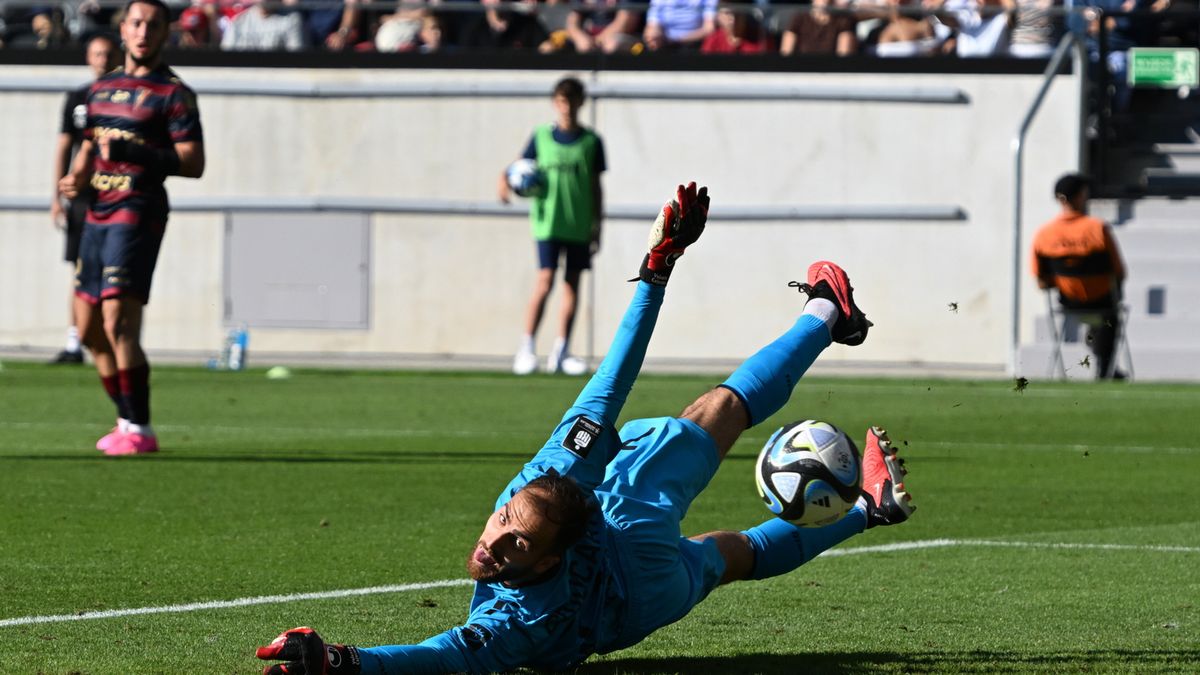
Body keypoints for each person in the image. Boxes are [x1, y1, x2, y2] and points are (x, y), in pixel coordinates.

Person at [256, 182, 916, 675]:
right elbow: (610, 382)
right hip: (635, 563)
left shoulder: (531, 563)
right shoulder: (551, 506)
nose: (496, 541)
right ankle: (830, 314)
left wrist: (342, 661)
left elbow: (444, 654)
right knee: (717, 416)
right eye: (508, 531)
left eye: (511, 533)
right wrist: (656, 272)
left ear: (546, 552)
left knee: (729, 554)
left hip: (634, 604)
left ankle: (866, 509)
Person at [57, 0, 206, 455]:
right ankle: (126, 419)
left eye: (154, 25)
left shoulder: (174, 94)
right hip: (97, 212)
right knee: (88, 331)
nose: (144, 32)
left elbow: (193, 163)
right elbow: (90, 145)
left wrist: (137, 153)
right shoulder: (100, 89)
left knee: (118, 318)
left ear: (166, 33)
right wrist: (77, 176)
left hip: (138, 211)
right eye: (137, 23)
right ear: (123, 29)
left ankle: (140, 429)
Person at [498, 76, 605, 376]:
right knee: (545, 280)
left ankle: (562, 350)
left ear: (581, 103)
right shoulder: (541, 137)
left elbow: (596, 186)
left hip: (579, 224)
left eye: (572, 101)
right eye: (561, 101)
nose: (566, 107)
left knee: (572, 284)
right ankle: (527, 347)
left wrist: (598, 225)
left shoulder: (591, 142)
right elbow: (517, 168)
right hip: (548, 223)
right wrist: (503, 181)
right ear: (554, 103)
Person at [50, 32, 117, 365]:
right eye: (97, 54)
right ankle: (75, 342)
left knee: (115, 272)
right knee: (81, 268)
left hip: (119, 196)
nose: (102, 60)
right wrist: (56, 197)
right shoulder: (78, 98)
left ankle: (114, 337)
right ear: (88, 58)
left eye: (108, 54)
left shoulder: (127, 97)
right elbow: (66, 146)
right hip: (83, 199)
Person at [1031, 173, 1127, 379]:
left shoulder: (1044, 234)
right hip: (1103, 302)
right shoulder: (1098, 229)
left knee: (1099, 321)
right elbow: (1119, 271)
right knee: (1109, 314)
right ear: (1082, 195)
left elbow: (1041, 281)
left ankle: (1097, 344)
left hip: (1069, 302)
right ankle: (1105, 370)